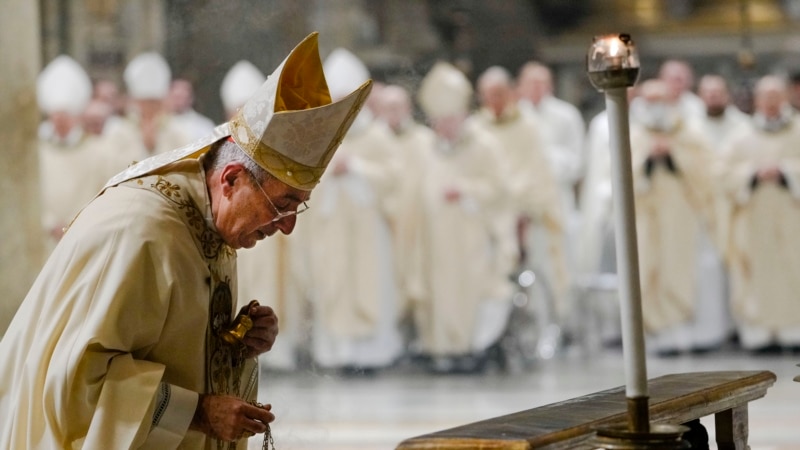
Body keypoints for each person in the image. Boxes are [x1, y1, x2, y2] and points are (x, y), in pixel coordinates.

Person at [0, 32, 373, 448]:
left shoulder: (208, 219)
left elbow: (166, 347)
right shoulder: (140, 231)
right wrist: (196, 412)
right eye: (282, 204)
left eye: (298, 207)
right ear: (231, 179)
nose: (287, 226)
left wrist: (237, 343)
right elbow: (74, 380)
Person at [300, 48, 404, 374]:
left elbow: (395, 180)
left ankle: (371, 356)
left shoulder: (377, 135)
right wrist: (331, 173)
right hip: (330, 229)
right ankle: (337, 355)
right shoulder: (317, 138)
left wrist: (356, 167)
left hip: (368, 231)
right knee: (334, 284)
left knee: (369, 283)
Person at [402, 61, 509, 373]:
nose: (445, 127)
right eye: (439, 121)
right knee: (438, 290)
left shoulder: (485, 145)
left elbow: (501, 190)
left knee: (470, 292)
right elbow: (412, 191)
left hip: (472, 238)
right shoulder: (425, 149)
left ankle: (470, 349)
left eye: (450, 119)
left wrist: (466, 191)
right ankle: (440, 350)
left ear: (462, 116)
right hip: (433, 239)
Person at [469, 65, 568, 322]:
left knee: (533, 264)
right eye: (488, 95)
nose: (495, 101)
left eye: (500, 93)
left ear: (511, 93)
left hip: (526, 214)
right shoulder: (474, 130)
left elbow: (537, 173)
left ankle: (537, 324)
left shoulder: (529, 126)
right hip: (486, 219)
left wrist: (523, 208)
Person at [629, 79, 720, 355]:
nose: (655, 106)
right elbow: (620, 176)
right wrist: (646, 159)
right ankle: (655, 333)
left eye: (661, 100)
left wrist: (674, 156)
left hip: (681, 216)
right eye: (650, 100)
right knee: (648, 269)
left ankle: (684, 333)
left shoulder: (690, 133)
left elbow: (707, 174)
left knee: (679, 267)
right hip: (646, 216)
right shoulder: (634, 135)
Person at [721, 75, 800, 352]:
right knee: (756, 273)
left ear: (786, 99)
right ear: (757, 101)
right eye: (765, 98)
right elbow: (724, 174)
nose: (770, 104)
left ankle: (793, 333)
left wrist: (787, 172)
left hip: (793, 220)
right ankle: (759, 335)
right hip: (753, 222)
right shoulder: (741, 136)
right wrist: (752, 173)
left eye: (776, 98)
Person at [35, 55, 111, 255]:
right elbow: (29, 193)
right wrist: (49, 223)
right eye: (56, 115)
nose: (60, 121)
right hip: (41, 239)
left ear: (76, 115)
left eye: (65, 115)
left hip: (82, 238)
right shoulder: (37, 151)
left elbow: (103, 195)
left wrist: (74, 223)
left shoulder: (97, 150)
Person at [516, 61, 585, 276]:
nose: (537, 88)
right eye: (531, 83)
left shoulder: (566, 115)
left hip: (557, 198)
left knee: (558, 263)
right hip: (523, 201)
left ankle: (560, 307)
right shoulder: (514, 117)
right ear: (521, 85)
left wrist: (547, 161)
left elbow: (578, 161)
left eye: (541, 82)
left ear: (550, 85)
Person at [106, 52, 191, 173]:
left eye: (154, 103)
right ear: (134, 101)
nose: (149, 108)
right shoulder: (119, 132)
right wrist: (145, 148)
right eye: (144, 103)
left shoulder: (176, 132)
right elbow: (112, 170)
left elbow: (184, 170)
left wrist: (155, 147)